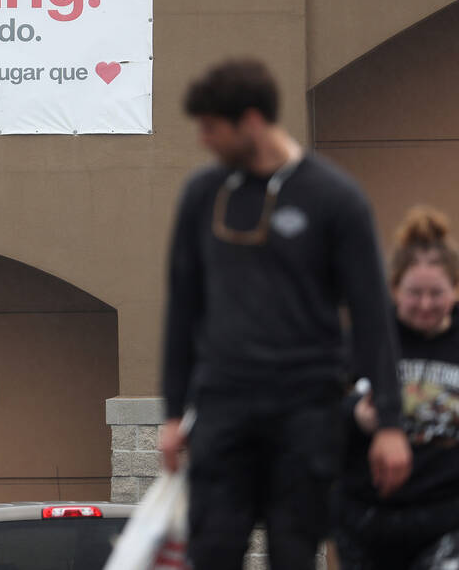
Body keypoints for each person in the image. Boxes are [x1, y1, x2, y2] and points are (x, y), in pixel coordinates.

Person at [157, 58, 412, 569]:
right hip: (223, 407)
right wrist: (171, 411)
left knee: (294, 553)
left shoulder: (334, 198)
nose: (204, 141)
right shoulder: (202, 196)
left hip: (305, 411)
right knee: (212, 550)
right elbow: (182, 307)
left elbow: (372, 315)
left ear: (250, 121)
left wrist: (389, 421)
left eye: (212, 128)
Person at [336, 207, 459, 569]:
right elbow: (316, 417)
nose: (425, 304)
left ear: (455, 288)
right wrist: (356, 416)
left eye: (436, 293)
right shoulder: (364, 339)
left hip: (448, 519)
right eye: (414, 293)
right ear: (393, 289)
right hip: (369, 520)